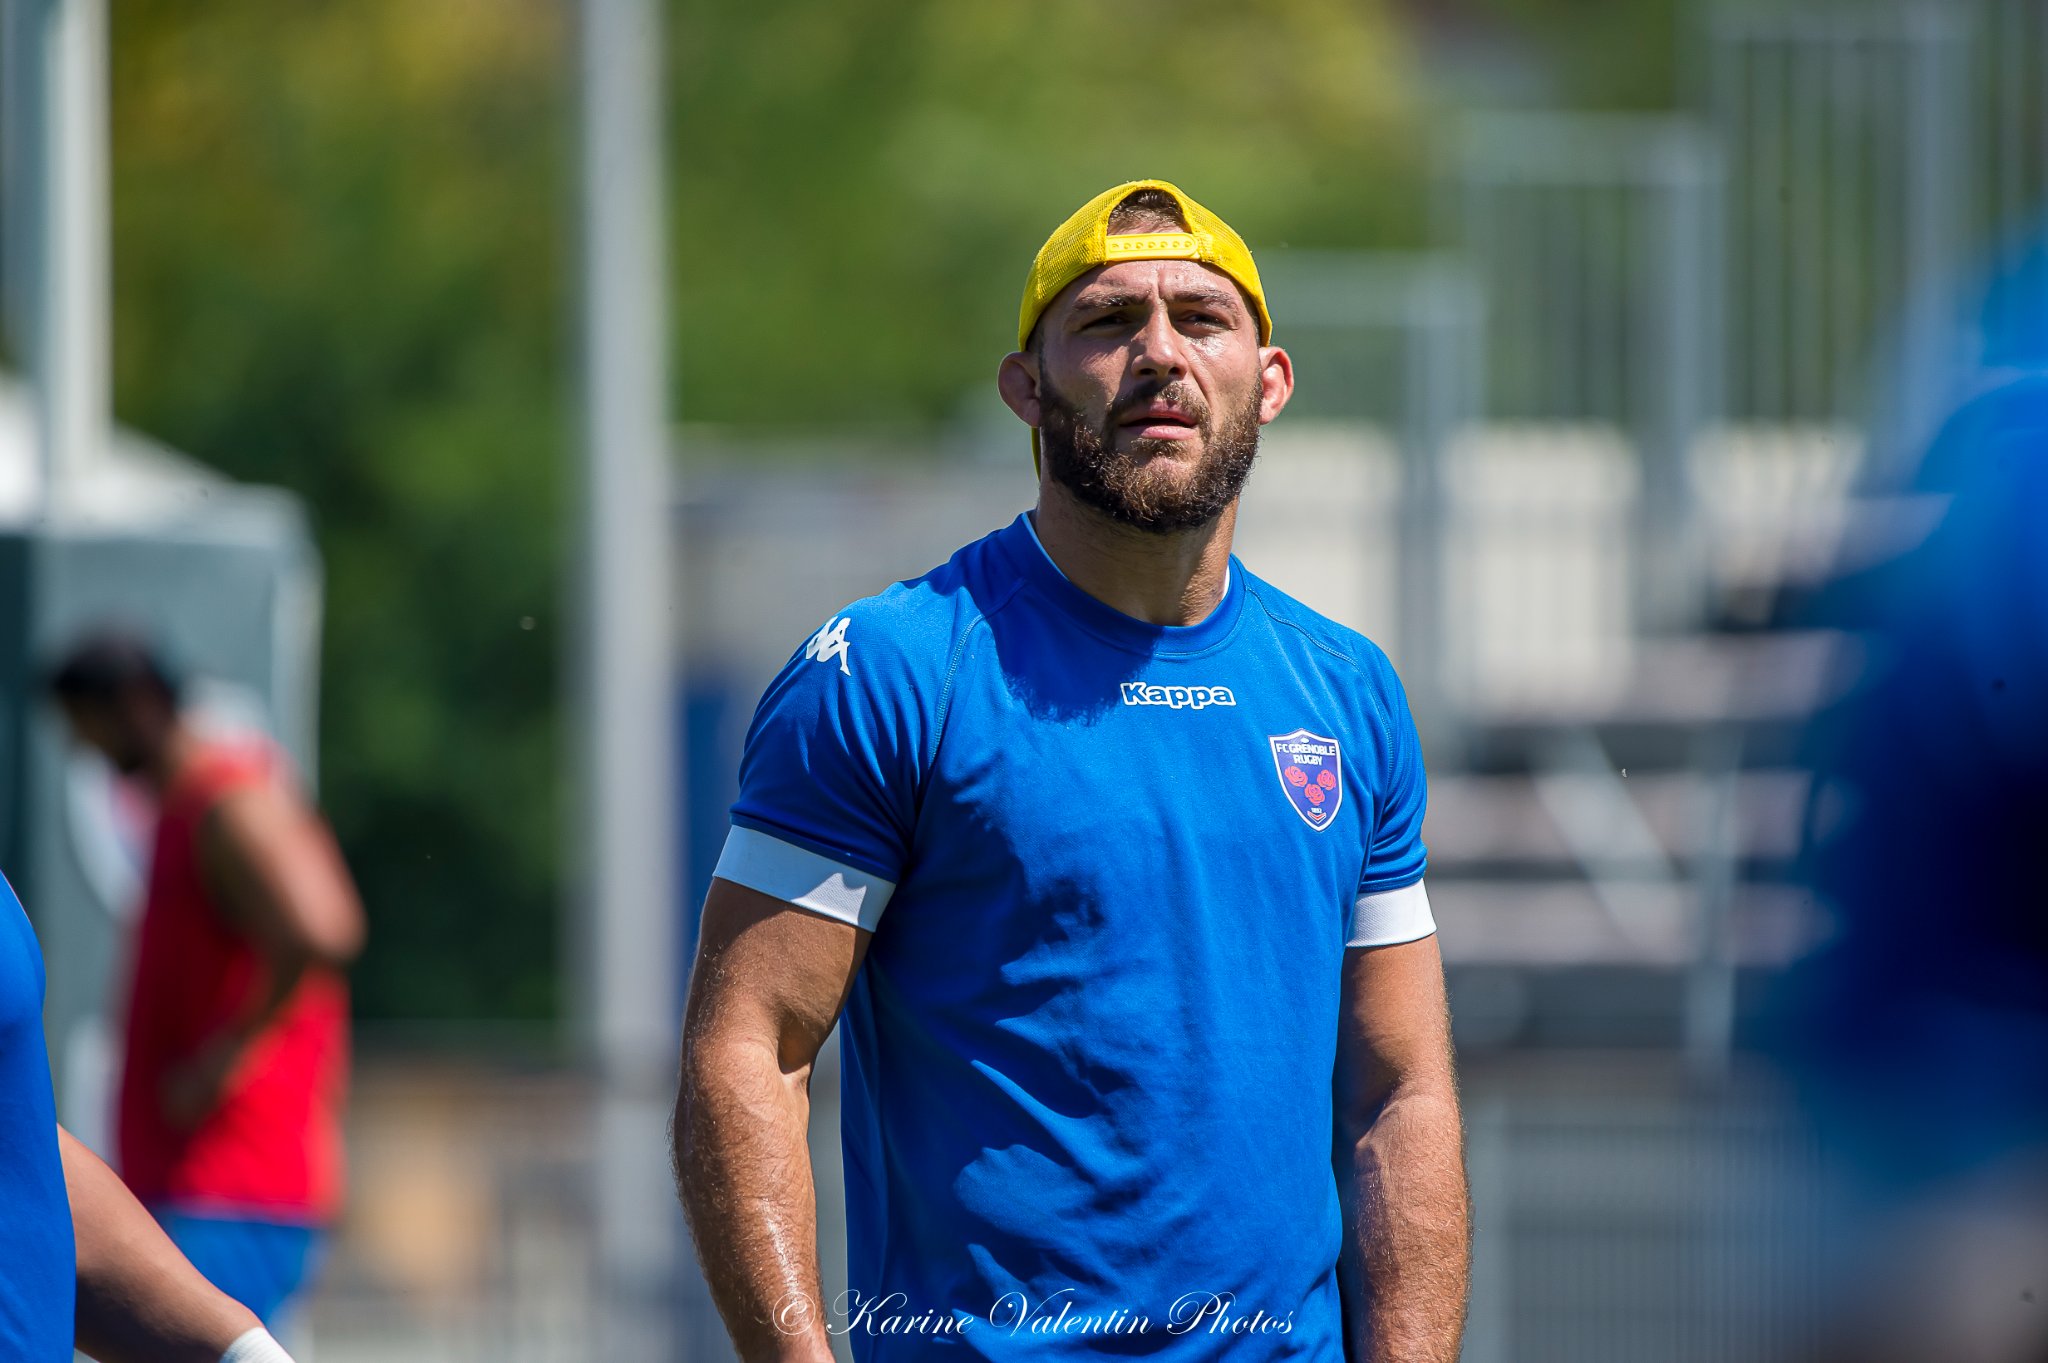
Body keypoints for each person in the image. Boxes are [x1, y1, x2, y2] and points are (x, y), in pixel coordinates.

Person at [674, 180, 1469, 1362]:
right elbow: (747, 1046)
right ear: (1025, 389)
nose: (1159, 353)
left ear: (1270, 379)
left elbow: (1397, 1095)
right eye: (1106, 323)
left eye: (1202, 319)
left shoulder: (1345, 693)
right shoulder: (891, 670)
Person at [47, 629, 364, 1331]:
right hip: (196, 1185)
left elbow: (326, 926)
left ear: (133, 704)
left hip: (235, 1182)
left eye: (86, 726)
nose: (84, 749)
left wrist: (226, 1056)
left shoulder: (230, 798)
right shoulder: (183, 807)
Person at [2, 871, 298, 1361]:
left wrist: (244, 1353)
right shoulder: (229, 805)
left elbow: (19, 1153)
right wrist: (220, 1064)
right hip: (212, 1192)